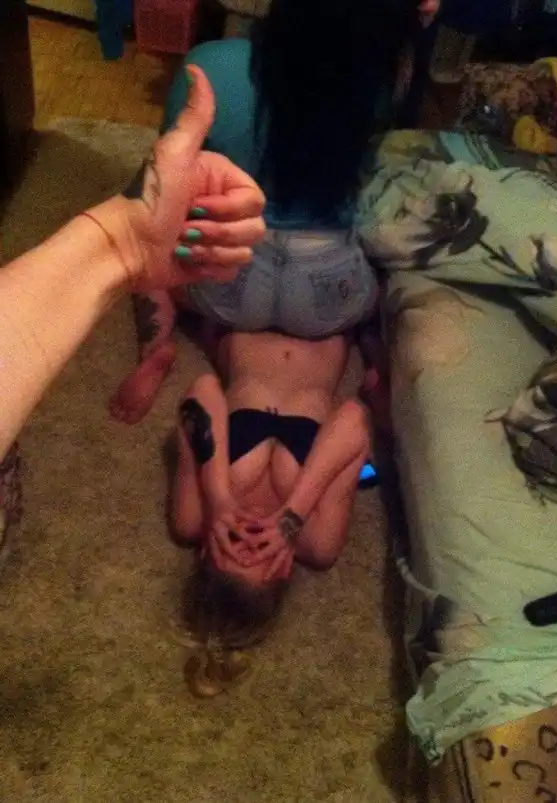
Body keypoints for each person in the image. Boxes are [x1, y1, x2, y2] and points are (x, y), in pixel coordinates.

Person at [110, 0, 439, 426]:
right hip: (327, 284)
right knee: (392, 271)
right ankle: (376, 361)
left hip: (229, 273)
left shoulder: (208, 65)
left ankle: (156, 348)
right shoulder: (379, 80)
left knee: (143, 230)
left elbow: (167, 187)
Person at [0, 65, 266, 464]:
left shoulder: (219, 60)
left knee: (168, 279)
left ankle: (157, 346)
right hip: (311, 287)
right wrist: (128, 239)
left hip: (213, 266)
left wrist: (127, 239)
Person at [170, 327, 370, 697]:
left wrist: (218, 498)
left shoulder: (193, 520)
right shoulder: (317, 542)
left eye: (234, 540)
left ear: (206, 550)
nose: (252, 527)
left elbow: (202, 390)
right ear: (284, 568)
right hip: (327, 322)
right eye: (260, 547)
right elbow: (355, 418)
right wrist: (293, 514)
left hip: (248, 317)